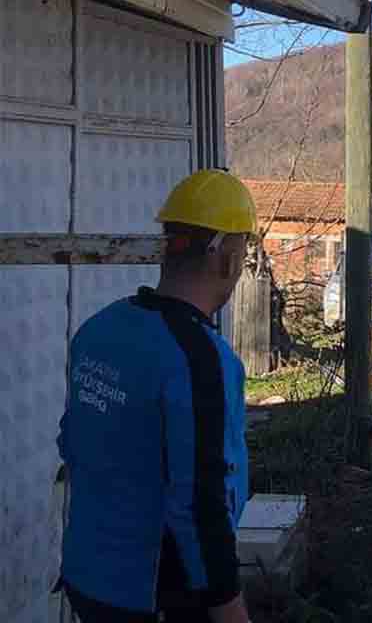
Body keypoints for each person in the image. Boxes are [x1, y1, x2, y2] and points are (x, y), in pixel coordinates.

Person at [57, 169, 256, 623]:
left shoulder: (100, 328)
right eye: (245, 249)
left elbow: (73, 442)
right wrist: (230, 607)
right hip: (153, 596)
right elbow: (201, 503)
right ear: (228, 257)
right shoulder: (200, 359)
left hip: (87, 576)